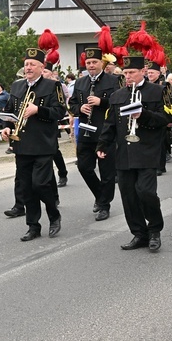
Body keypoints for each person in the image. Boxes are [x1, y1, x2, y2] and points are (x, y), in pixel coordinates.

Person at [96, 56, 172, 251]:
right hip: (124, 152)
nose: (128, 76)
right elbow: (110, 123)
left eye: (132, 73)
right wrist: (103, 145)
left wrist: (143, 115)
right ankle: (139, 233)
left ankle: (155, 230)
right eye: (125, 73)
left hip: (148, 150)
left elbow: (167, 118)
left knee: (146, 192)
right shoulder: (117, 96)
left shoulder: (158, 90)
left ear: (143, 71)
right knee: (128, 196)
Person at [2, 43, 67, 241]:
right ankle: (33, 225)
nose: (28, 68)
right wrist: (6, 127)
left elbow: (60, 112)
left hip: (43, 144)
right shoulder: (17, 86)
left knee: (40, 184)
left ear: (41, 67)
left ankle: (54, 215)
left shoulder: (52, 85)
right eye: (26, 64)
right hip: (22, 144)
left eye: (33, 64)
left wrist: (38, 110)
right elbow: (9, 111)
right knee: (26, 187)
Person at [68, 47, 122, 221]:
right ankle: (100, 195)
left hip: (105, 132)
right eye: (88, 63)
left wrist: (102, 101)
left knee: (107, 172)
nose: (91, 65)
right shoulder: (80, 82)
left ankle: (104, 205)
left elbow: (120, 102)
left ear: (102, 63)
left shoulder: (113, 80)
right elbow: (72, 104)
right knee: (84, 167)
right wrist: (79, 108)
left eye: (94, 62)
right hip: (86, 132)